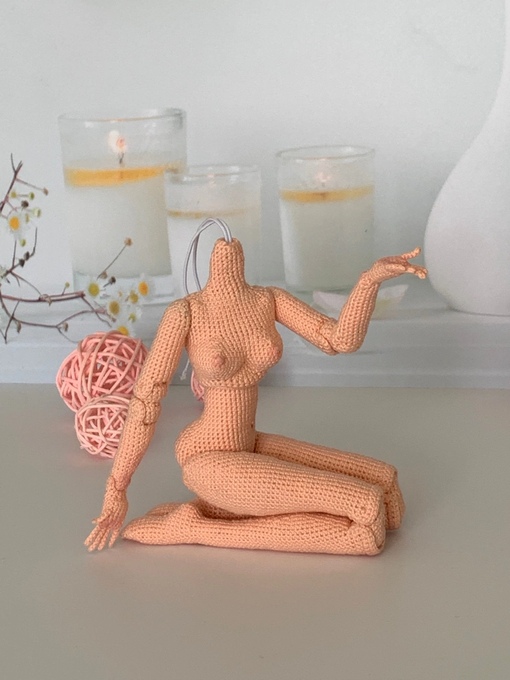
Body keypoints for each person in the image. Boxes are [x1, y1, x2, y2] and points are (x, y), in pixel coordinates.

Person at [85, 235, 427, 555]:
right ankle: (195, 527)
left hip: (248, 444)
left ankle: (215, 510)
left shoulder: (267, 299)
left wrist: (369, 281)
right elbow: (146, 401)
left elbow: (338, 340)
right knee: (366, 512)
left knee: (385, 483)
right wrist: (117, 488)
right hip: (206, 458)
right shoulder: (186, 312)